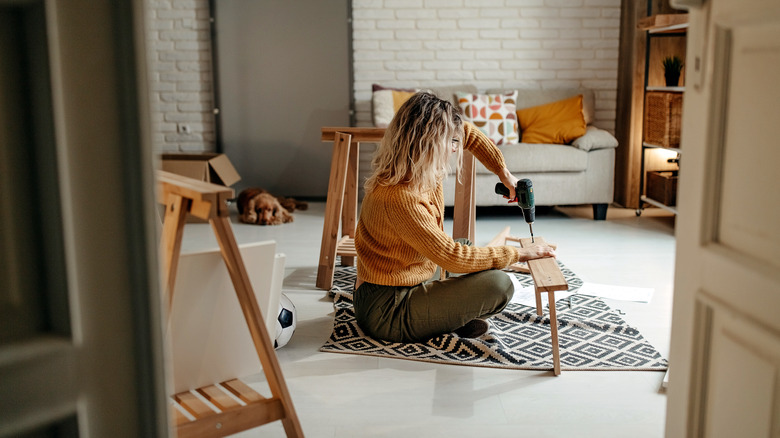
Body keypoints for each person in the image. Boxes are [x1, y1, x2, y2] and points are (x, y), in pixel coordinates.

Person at [353, 91, 556, 343]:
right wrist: (520, 254)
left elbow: (467, 133)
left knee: (468, 248)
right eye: (449, 142)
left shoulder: (417, 166)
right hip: (387, 309)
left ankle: (445, 317)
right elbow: (451, 257)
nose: (453, 148)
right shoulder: (400, 196)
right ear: (426, 143)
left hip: (409, 276)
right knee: (499, 285)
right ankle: (443, 320)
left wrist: (503, 173)